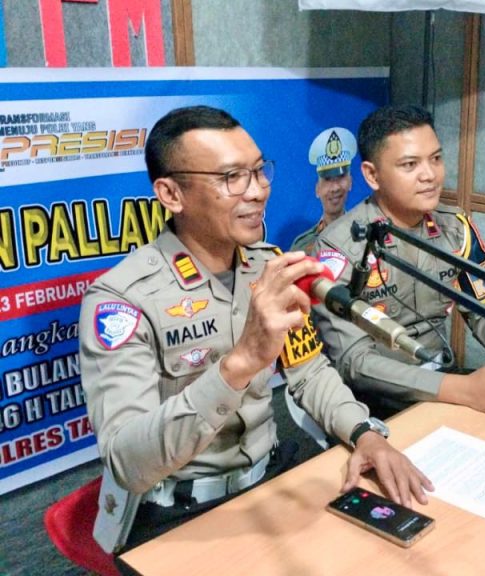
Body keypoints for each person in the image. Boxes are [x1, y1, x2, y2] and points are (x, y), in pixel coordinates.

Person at [78, 106, 432, 555]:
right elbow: (127, 462)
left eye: (259, 171)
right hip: (178, 511)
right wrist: (239, 364)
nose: (258, 190)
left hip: (272, 474)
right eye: (231, 177)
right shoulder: (121, 300)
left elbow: (309, 371)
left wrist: (365, 434)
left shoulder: (268, 265)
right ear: (171, 194)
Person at [312, 104, 485, 419]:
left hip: (446, 385)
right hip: (374, 403)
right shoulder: (338, 246)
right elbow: (354, 361)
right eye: (410, 164)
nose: (429, 175)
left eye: (436, 159)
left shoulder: (455, 228)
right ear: (372, 175)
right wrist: (461, 389)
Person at [290, 127, 357, 253]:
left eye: (341, 177)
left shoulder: (364, 240)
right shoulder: (301, 246)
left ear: (350, 182)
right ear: (317, 189)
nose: (335, 187)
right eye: (327, 179)